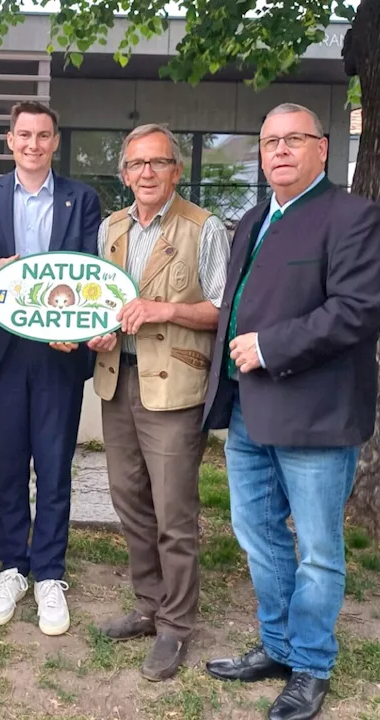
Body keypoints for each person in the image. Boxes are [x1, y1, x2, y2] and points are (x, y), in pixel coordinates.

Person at [202, 103, 380, 720]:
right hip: (250, 412)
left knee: (315, 549)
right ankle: (279, 646)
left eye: (293, 140)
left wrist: (270, 345)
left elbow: (355, 311)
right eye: (268, 142)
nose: (279, 151)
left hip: (316, 414)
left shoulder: (354, 218)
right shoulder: (254, 219)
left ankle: (311, 665)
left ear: (322, 148)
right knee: (257, 536)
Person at [85, 124, 230, 681]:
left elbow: (220, 310)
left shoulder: (202, 227)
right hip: (117, 378)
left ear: (175, 171)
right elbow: (108, 308)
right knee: (129, 503)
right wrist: (101, 332)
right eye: (137, 164)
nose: (146, 173)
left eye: (158, 163)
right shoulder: (111, 228)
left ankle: (175, 624)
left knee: (174, 512)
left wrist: (162, 309)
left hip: (173, 386)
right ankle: (148, 603)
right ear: (124, 174)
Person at [0, 101, 102, 637]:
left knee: (53, 465)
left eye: (43, 135)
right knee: (7, 465)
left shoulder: (82, 198)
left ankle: (49, 571)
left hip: (59, 354)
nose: (33, 144)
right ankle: (11, 567)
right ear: (9, 140)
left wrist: (77, 329)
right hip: (3, 349)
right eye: (24, 135)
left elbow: (91, 273)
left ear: (55, 140)